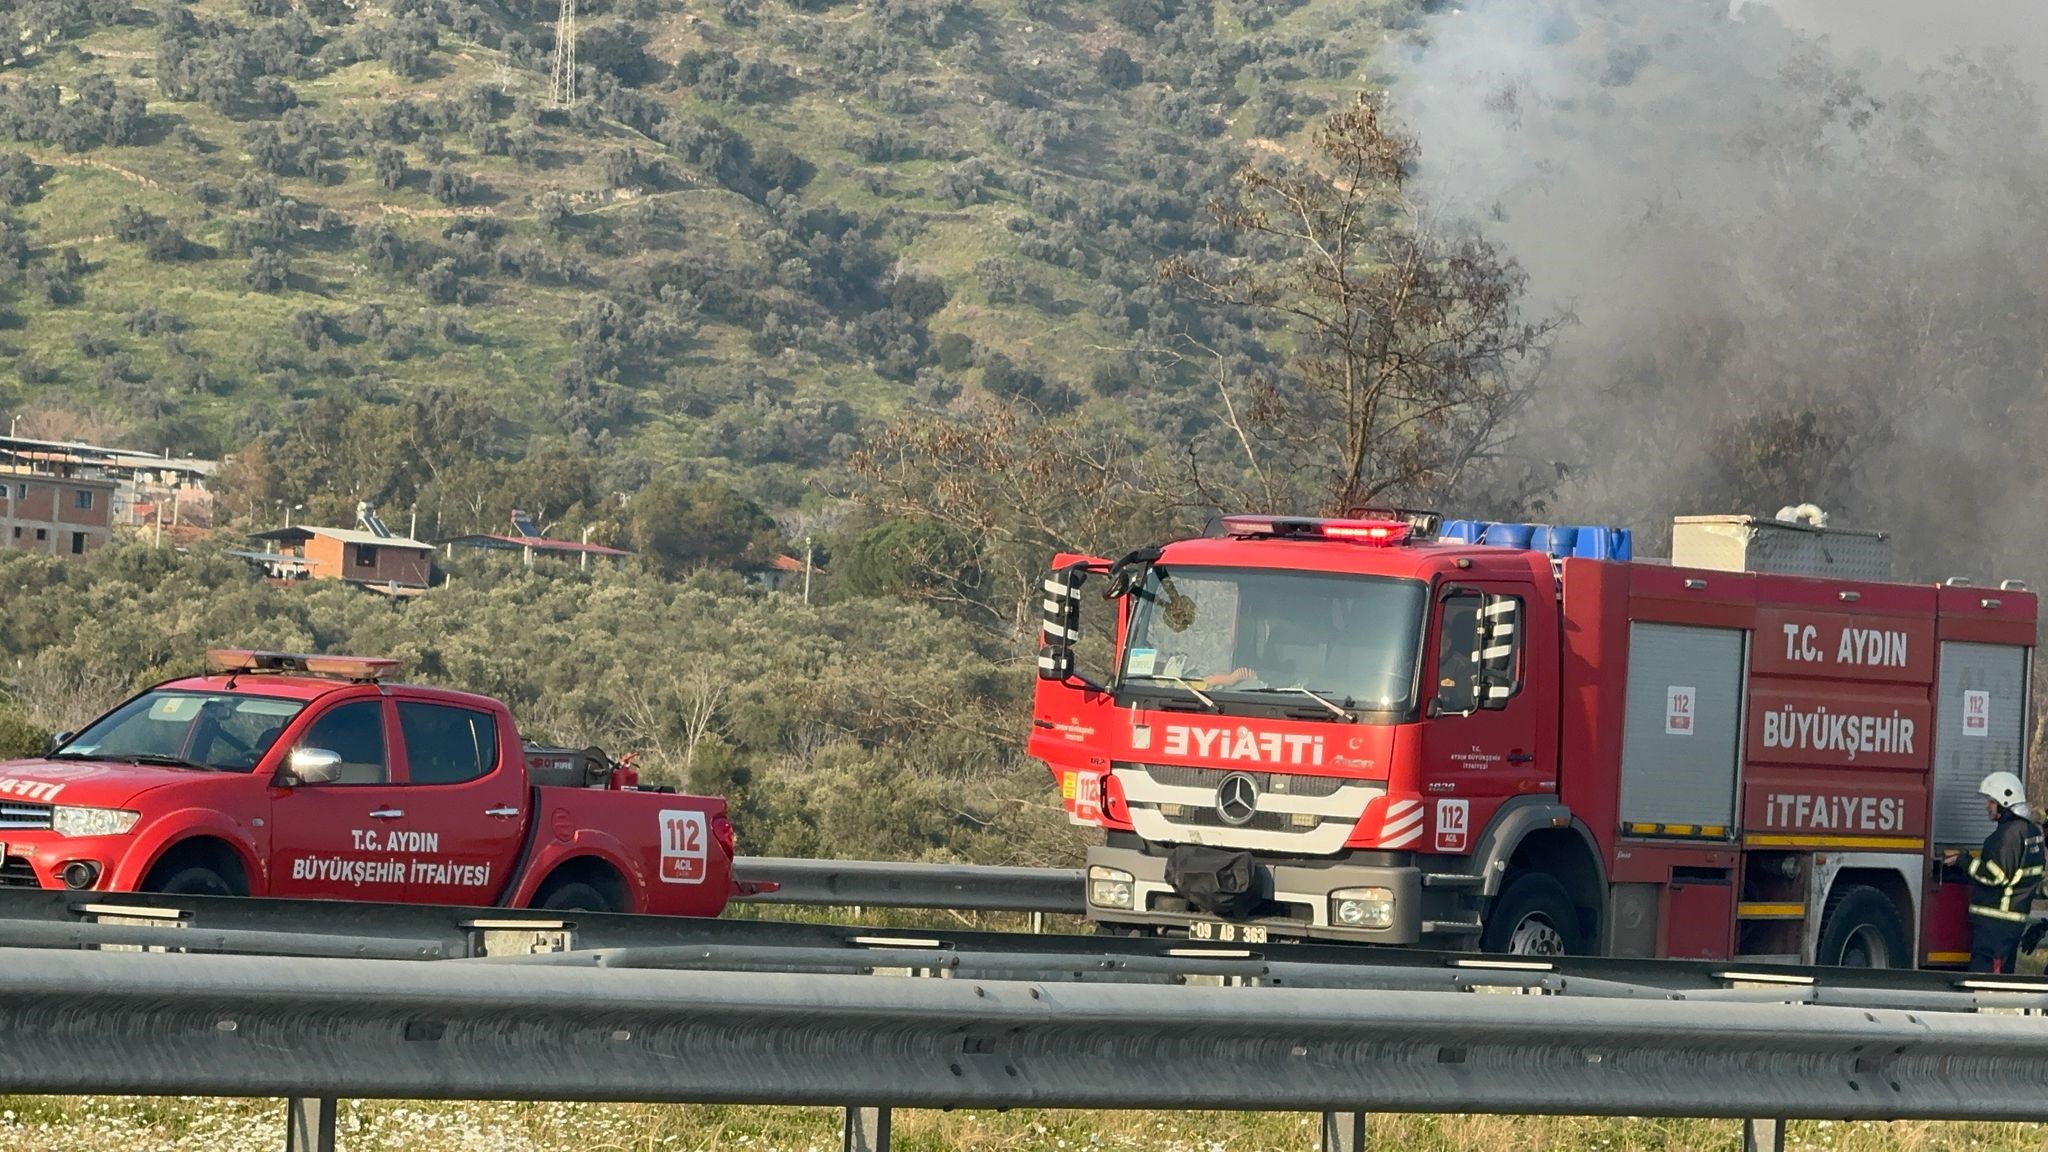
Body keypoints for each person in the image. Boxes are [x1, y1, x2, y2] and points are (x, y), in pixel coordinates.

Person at [1940, 772, 2045, 974]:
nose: (1987, 806)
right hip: (2008, 924)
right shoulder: (2030, 831)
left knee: (1987, 983)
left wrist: (1963, 861)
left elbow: (1996, 875)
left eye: (1991, 801)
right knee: (1999, 981)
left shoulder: (2009, 835)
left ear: (2005, 802)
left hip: (1996, 927)